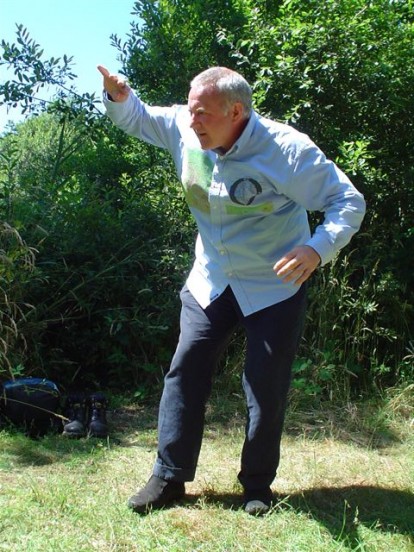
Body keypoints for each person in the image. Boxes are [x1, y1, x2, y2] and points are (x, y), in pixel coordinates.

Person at [98, 65, 366, 515]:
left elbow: (347, 201)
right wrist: (120, 98)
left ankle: (257, 487)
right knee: (185, 371)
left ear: (236, 111)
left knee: (265, 385)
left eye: (202, 113)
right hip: (211, 278)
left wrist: (317, 249)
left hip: (274, 285)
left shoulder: (285, 150)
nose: (192, 119)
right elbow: (141, 119)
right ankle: (168, 479)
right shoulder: (187, 127)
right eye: (190, 109)